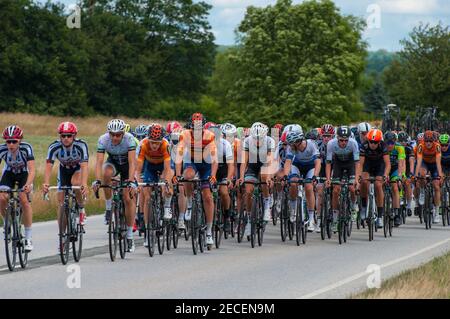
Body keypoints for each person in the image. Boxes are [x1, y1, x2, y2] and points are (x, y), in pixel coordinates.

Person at [92, 119, 138, 252]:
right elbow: (99, 162)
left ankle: (129, 235)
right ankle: (108, 208)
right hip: (113, 163)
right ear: (109, 133)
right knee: (106, 173)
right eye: (112, 134)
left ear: (123, 133)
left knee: (128, 198)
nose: (115, 137)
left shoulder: (130, 139)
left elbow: (132, 162)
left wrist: (130, 181)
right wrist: (97, 180)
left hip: (127, 167)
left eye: (118, 135)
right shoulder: (103, 139)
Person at [43, 122, 89, 238]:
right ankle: (62, 236)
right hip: (63, 170)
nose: (66, 138)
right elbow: (49, 165)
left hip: (77, 169)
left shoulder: (81, 145)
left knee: (76, 183)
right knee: (61, 203)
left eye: (69, 135)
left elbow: (84, 166)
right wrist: (46, 183)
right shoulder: (54, 147)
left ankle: (81, 208)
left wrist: (84, 184)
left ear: (74, 136)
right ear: (60, 136)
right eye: (63, 136)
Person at [0, 126, 35, 252]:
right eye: (8, 141)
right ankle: (7, 224)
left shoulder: (26, 148)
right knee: (2, 197)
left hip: (24, 174)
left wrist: (28, 184)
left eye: (14, 141)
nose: (11, 144)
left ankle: (28, 238)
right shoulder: (2, 149)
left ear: (20, 140)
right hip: (9, 173)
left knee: (23, 199)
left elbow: (32, 170)